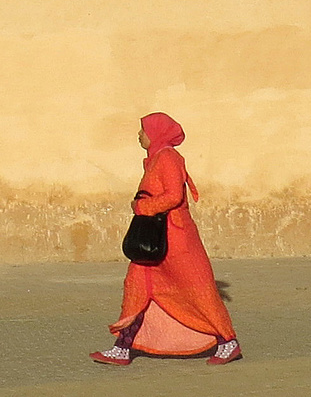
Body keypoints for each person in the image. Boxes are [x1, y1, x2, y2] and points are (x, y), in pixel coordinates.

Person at [91, 112, 242, 366]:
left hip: (176, 240)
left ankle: (227, 341)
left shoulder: (169, 158)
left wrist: (143, 207)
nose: (139, 136)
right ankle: (123, 347)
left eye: (143, 131)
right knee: (136, 286)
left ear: (156, 133)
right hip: (155, 238)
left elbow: (173, 196)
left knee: (197, 290)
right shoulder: (155, 159)